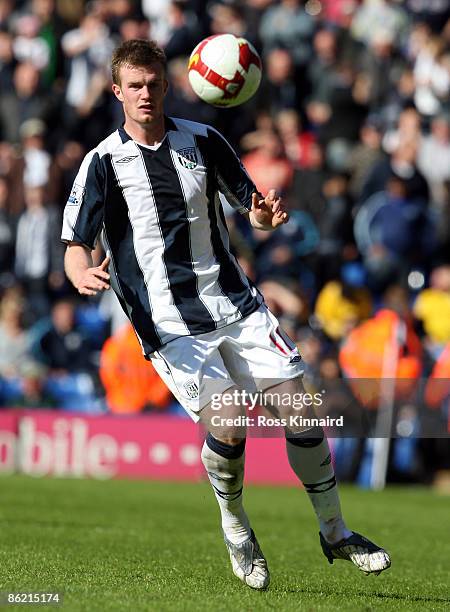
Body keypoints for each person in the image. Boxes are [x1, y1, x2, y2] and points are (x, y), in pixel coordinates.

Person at [61, 39, 390, 590]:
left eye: (154, 83)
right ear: (117, 92)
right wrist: (78, 270)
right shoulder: (102, 164)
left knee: (302, 411)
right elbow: (74, 241)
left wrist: (264, 215)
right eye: (134, 86)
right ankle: (237, 530)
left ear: (167, 85)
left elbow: (252, 207)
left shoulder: (204, 141)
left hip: (234, 302)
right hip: (169, 323)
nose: (146, 94)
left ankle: (336, 533)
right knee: (231, 424)